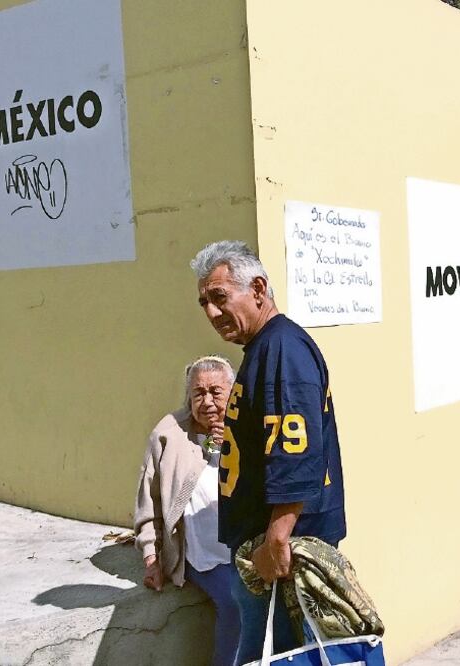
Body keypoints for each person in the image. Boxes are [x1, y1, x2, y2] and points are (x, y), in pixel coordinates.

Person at [190, 240, 346, 662]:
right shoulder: (265, 348)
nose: (211, 312)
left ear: (258, 289)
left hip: (280, 552)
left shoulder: (282, 349)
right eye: (204, 301)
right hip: (265, 548)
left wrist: (276, 541)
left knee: (279, 655)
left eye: (220, 298)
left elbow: (296, 452)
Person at [134, 355, 254, 666]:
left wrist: (234, 445)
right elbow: (149, 501)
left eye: (216, 392)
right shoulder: (169, 433)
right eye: (198, 392)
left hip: (249, 549)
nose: (207, 401)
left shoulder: (248, 428)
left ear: (234, 392)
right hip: (205, 556)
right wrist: (151, 557)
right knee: (236, 603)